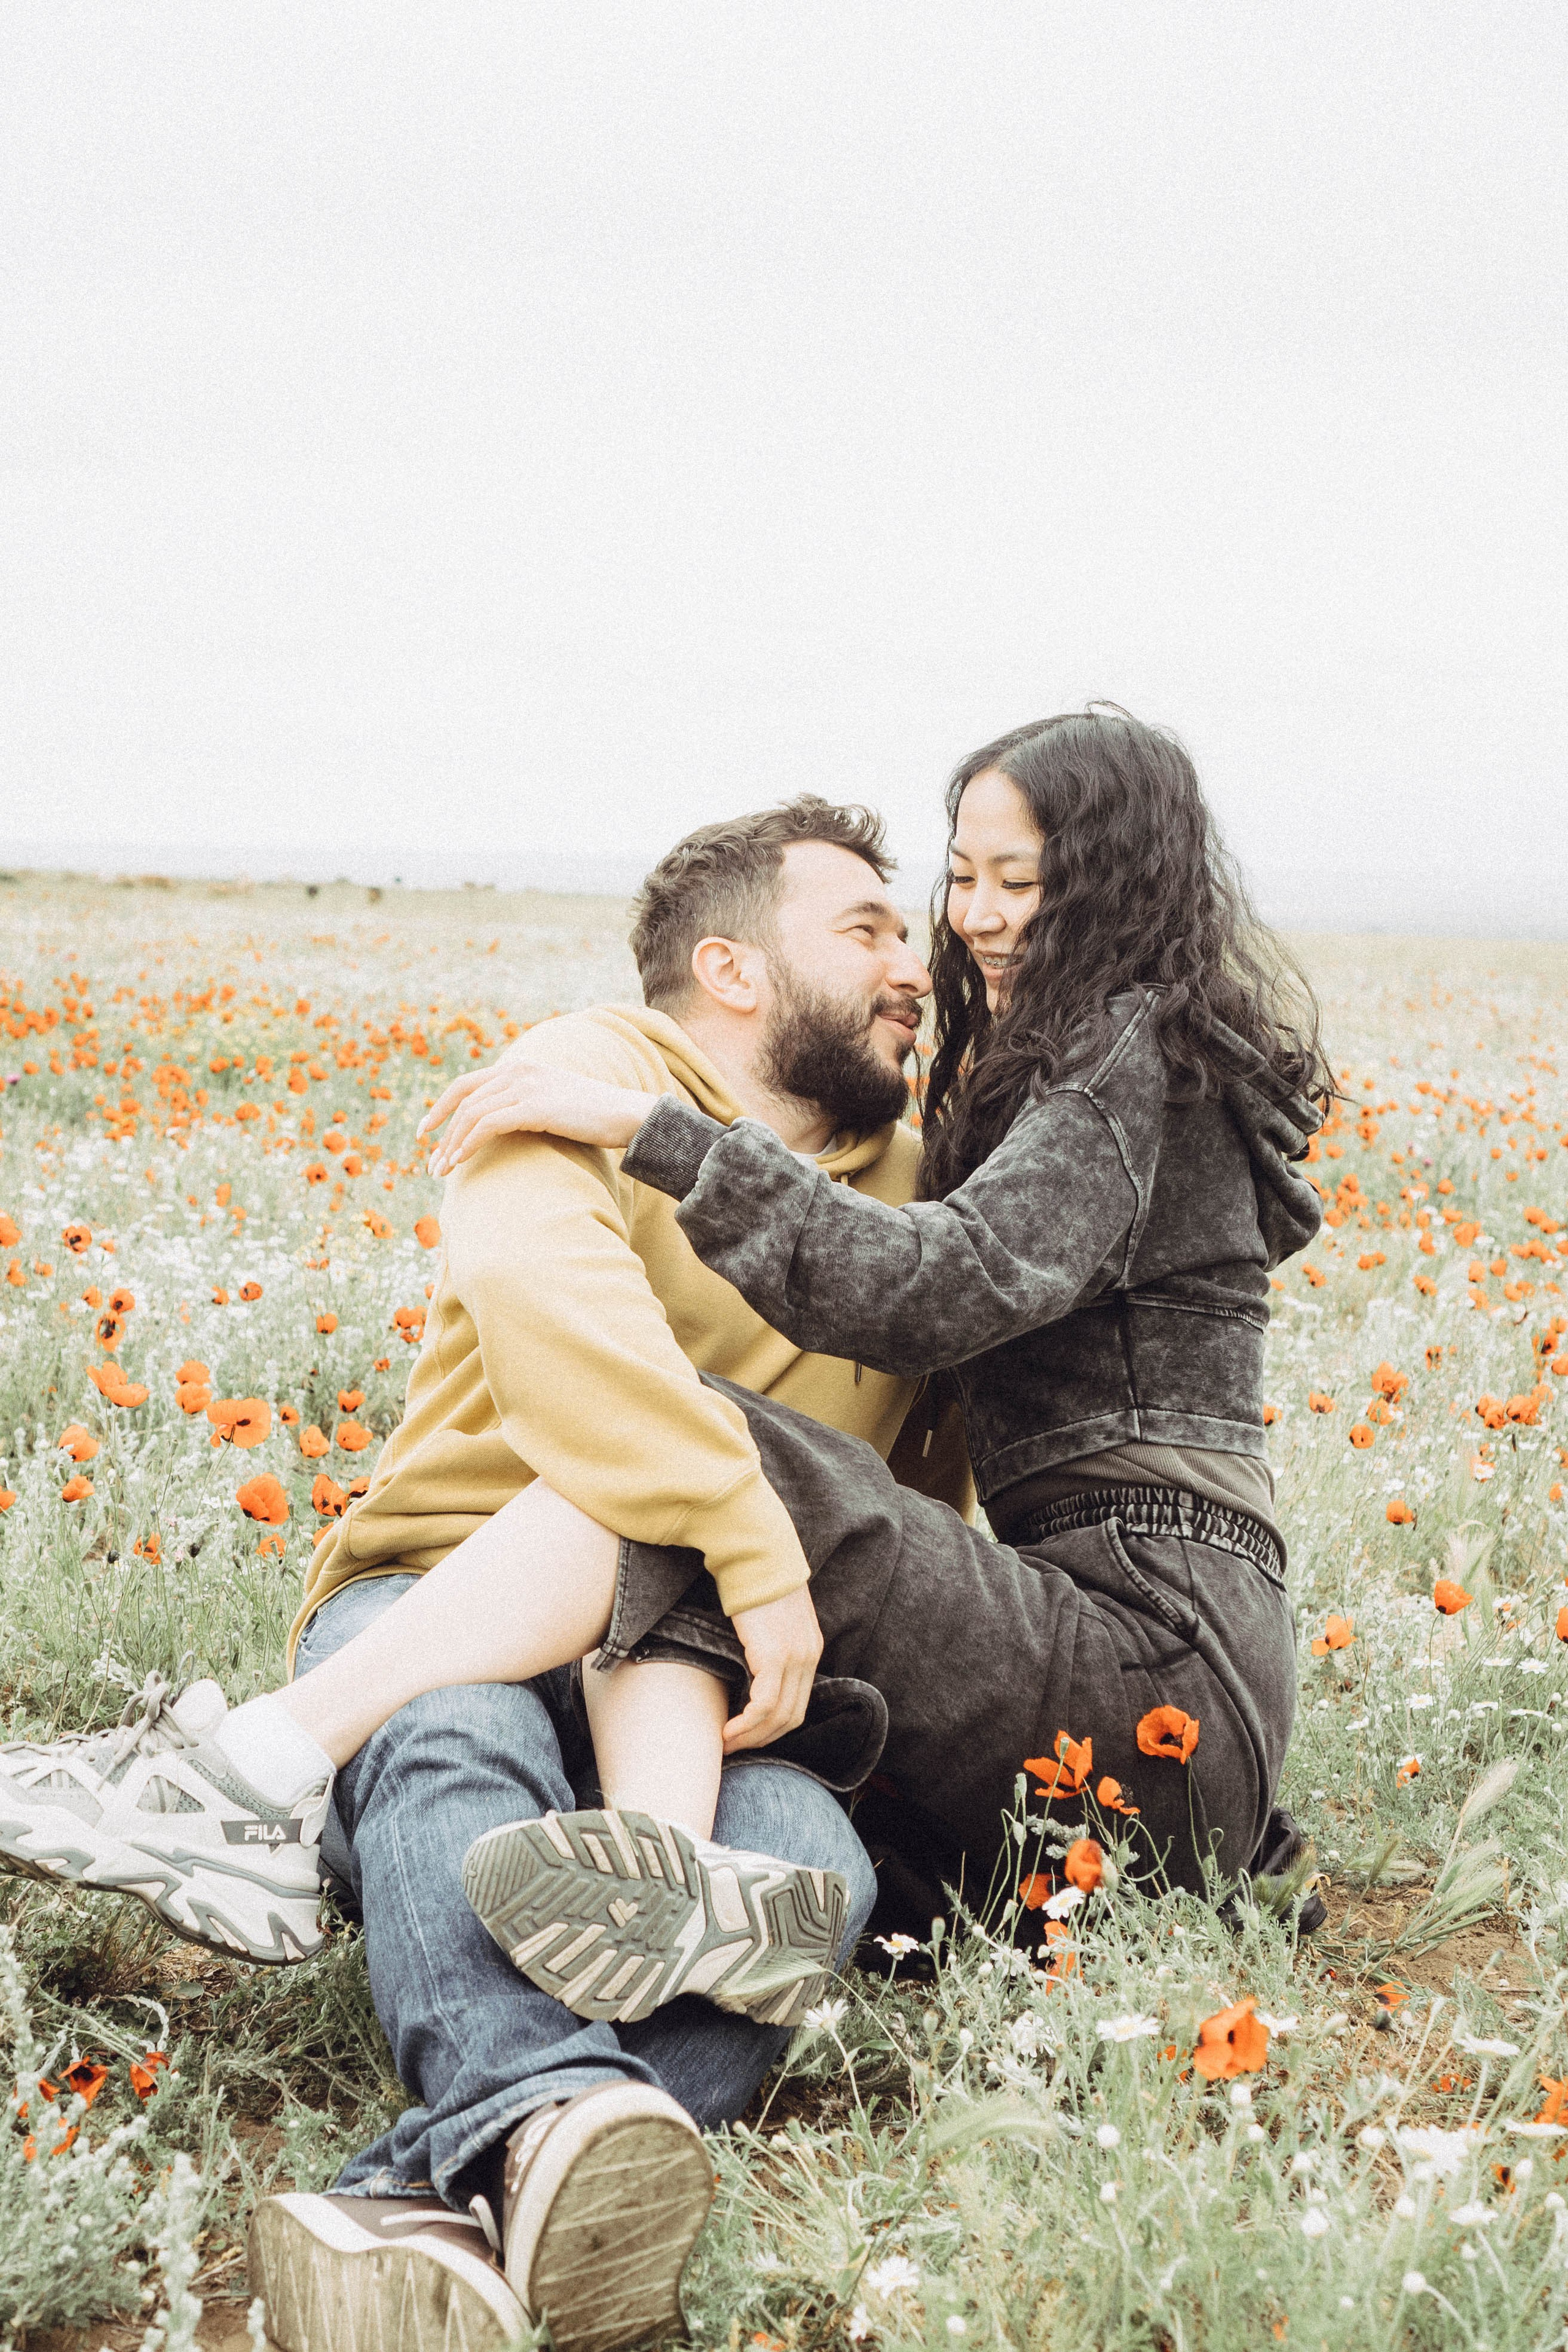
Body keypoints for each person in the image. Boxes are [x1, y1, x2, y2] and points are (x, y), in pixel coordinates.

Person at [0, 796, 971, 2352]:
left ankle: (449, 2202)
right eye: (863, 928)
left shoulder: (920, 1189)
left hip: (697, 1671)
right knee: (464, 1739)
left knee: (810, 1879)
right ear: (729, 967)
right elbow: (546, 1293)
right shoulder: (582, 1075)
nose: (908, 963)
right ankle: (523, 2118)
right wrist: (745, 1523)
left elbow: (933, 1487)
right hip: (450, 1589)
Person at [407, 709, 1332, 2001]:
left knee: (700, 1438)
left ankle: (278, 1772)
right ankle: (659, 1902)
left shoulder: (1132, 1059)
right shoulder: (1089, 1069)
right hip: (1140, 1669)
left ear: (1115, 881)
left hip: (1153, 1660)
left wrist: (652, 1131)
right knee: (801, 1840)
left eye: (1021, 881)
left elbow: (931, 1289)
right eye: (963, 876)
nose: (976, 917)